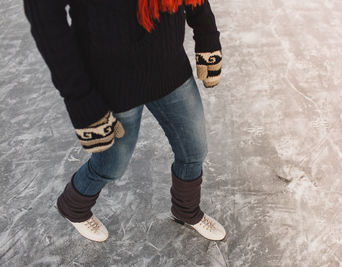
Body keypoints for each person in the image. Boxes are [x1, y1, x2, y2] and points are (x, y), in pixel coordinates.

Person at [23, 0, 226, 242]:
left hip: (169, 63)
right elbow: (44, 16)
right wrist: (81, 101)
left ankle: (186, 210)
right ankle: (73, 206)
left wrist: (207, 35)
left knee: (194, 149)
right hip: (111, 78)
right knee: (111, 164)